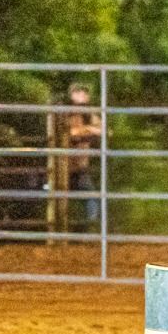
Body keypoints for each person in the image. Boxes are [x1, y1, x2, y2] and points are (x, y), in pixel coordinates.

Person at [64, 83, 102, 229]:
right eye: (80, 92)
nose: (84, 95)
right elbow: (70, 132)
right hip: (64, 166)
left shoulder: (88, 116)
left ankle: (87, 227)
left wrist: (86, 129)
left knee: (91, 198)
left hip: (79, 168)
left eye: (84, 93)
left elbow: (104, 130)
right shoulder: (66, 114)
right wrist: (88, 130)